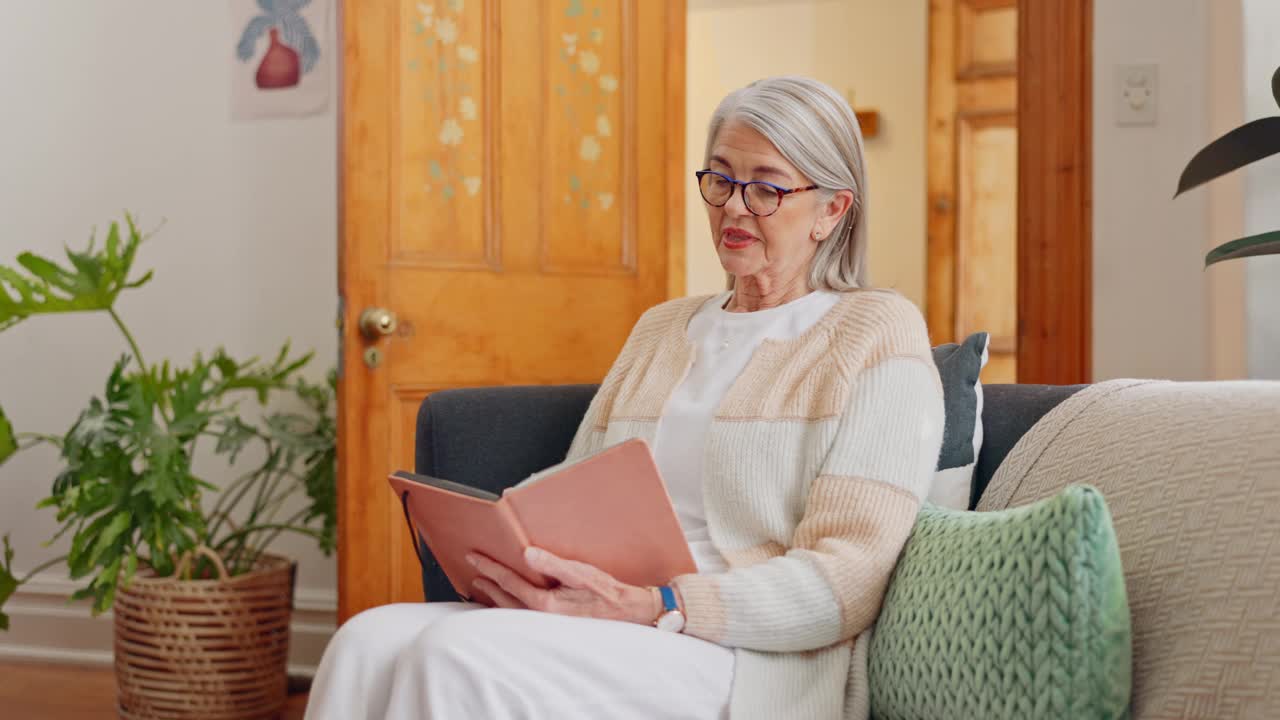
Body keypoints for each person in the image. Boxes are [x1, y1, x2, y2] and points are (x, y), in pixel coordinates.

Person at [305, 75, 944, 720]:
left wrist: (662, 604)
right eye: (720, 179)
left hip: (742, 652)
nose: (734, 208)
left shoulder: (875, 332)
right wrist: (511, 544)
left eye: (767, 188)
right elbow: (574, 488)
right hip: (611, 614)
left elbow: (850, 580)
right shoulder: (663, 327)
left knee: (453, 653)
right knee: (366, 640)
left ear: (833, 209)